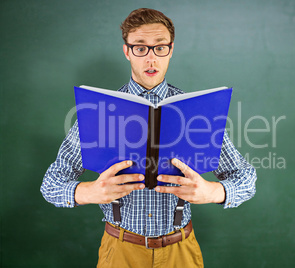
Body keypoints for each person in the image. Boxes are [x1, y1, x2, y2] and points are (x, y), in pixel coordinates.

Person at [41, 8, 257, 268]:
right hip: (120, 250)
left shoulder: (196, 112)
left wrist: (215, 191)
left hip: (181, 250)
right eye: (141, 48)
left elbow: (245, 177)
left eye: (160, 48)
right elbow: (51, 184)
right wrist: (88, 191)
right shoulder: (98, 111)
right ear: (127, 51)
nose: (151, 59)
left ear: (171, 50)